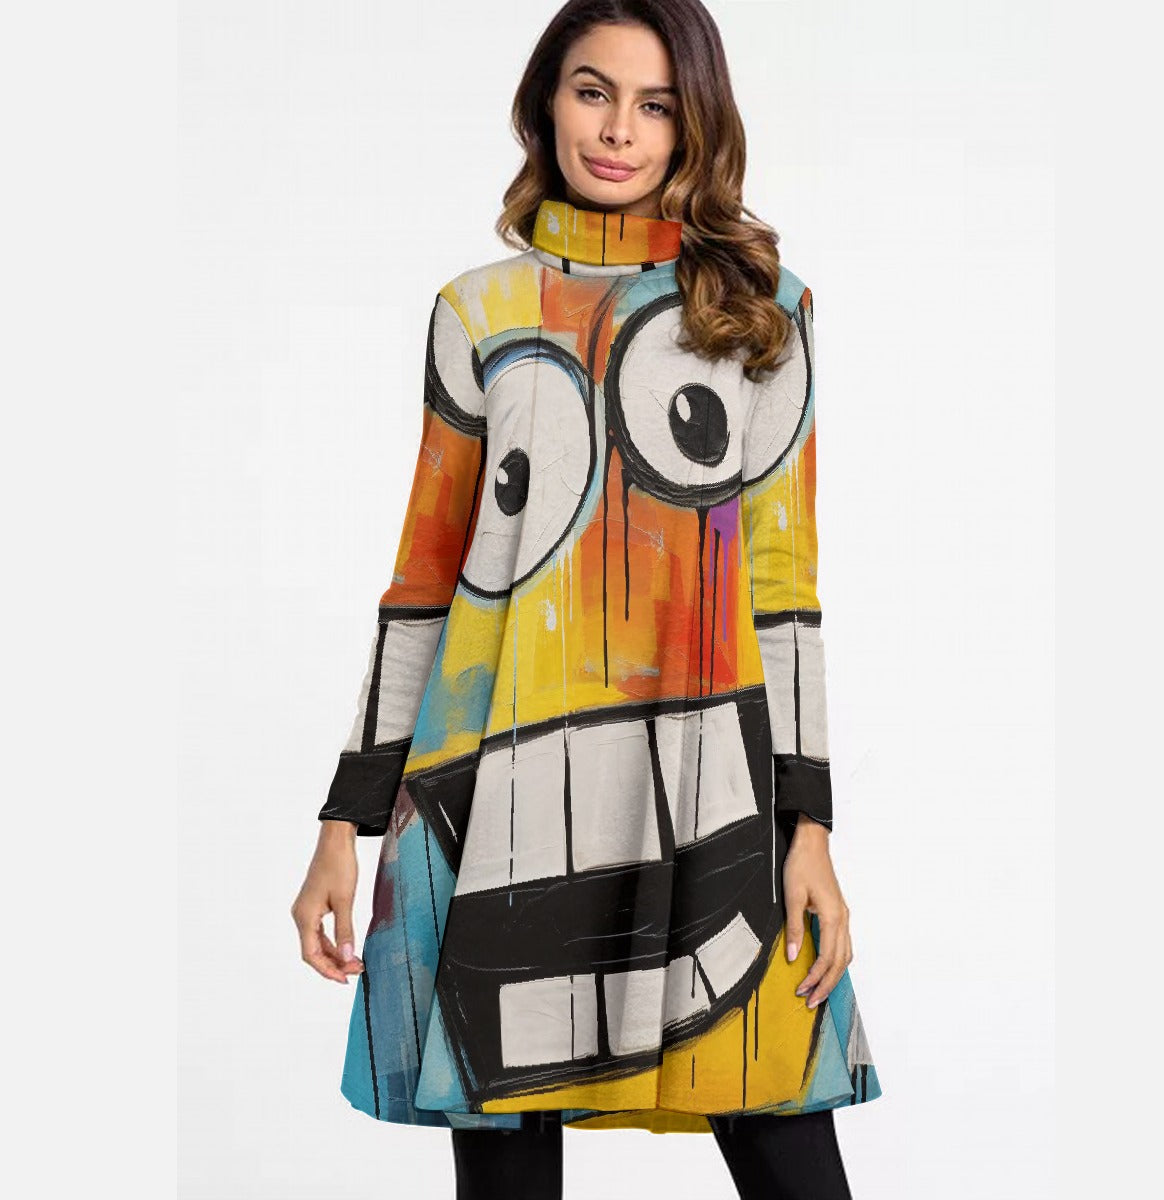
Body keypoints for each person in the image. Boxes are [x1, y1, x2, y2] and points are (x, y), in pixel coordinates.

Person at [291, 2, 882, 1196]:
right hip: (491, 790)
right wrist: (343, 825)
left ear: (694, 125)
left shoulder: (764, 312)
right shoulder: (478, 312)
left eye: (656, 104)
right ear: (545, 103)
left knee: (784, 1136)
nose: (619, 130)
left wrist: (808, 825)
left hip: (707, 790)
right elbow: (428, 575)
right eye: (592, 91)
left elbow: (783, 589)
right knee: (505, 1156)